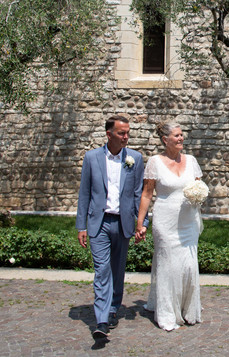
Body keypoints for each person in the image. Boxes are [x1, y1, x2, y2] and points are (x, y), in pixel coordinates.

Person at [76, 114, 145, 340]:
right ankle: (102, 320)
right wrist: (81, 226)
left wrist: (140, 223)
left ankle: (113, 308)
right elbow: (84, 193)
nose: (126, 137)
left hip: (123, 222)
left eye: (127, 133)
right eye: (121, 133)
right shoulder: (92, 158)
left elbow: (137, 195)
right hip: (100, 223)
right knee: (102, 270)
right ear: (109, 134)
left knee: (117, 270)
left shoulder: (134, 158)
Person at [135, 120, 203, 331]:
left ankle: (187, 310)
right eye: (176, 135)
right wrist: (140, 223)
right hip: (165, 221)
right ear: (165, 140)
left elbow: (199, 185)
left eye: (182, 135)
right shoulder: (155, 162)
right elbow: (147, 194)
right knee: (169, 266)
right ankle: (166, 313)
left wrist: (199, 194)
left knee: (189, 265)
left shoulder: (191, 160)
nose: (181, 138)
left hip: (188, 221)